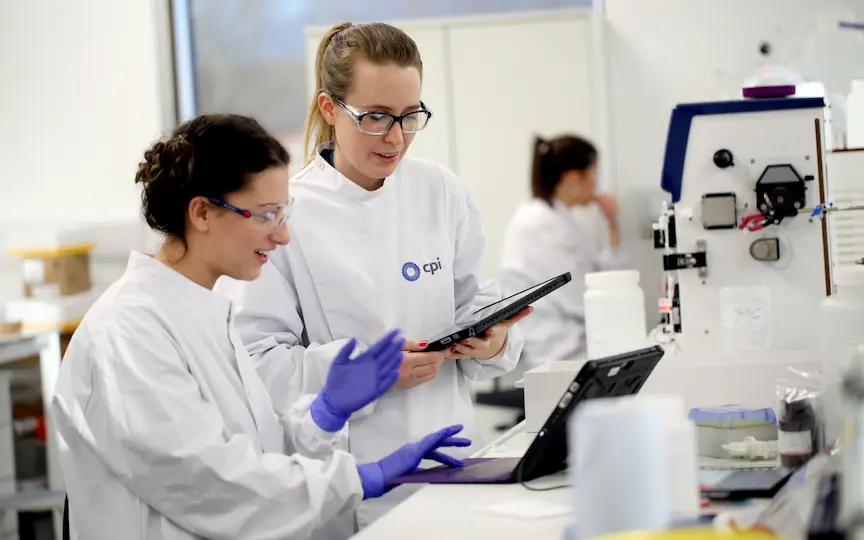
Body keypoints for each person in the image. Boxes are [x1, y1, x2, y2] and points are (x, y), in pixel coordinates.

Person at [52, 114, 471, 540]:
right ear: (202, 212)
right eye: (268, 214)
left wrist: (324, 414)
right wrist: (358, 480)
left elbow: (256, 452)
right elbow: (208, 485)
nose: (283, 236)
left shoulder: (204, 313)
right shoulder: (128, 331)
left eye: (285, 213)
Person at [214, 22, 530, 529]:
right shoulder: (287, 212)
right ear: (329, 108)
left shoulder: (441, 191)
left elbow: (476, 303)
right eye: (376, 116)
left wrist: (489, 340)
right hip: (354, 482)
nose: (396, 137)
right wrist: (369, 373)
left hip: (458, 464)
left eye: (410, 116)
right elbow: (257, 364)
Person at [499, 134, 629, 370]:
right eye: (594, 174)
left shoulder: (557, 218)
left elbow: (595, 280)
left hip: (574, 344)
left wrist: (613, 227)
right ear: (573, 177)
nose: (596, 185)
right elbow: (584, 298)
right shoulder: (539, 224)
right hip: (561, 352)